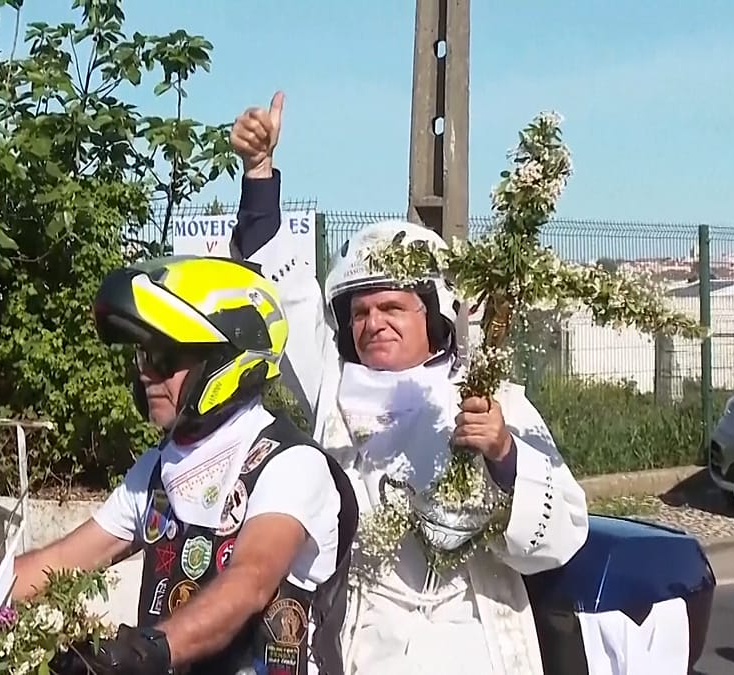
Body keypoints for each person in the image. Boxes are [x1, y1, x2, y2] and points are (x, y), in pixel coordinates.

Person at [227, 91, 590, 674]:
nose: (374, 324)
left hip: (473, 643)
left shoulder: (492, 399)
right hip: (360, 641)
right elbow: (286, 298)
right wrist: (260, 173)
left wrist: (502, 453)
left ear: (436, 314)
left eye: (393, 306)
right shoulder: (336, 395)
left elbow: (563, 535)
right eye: (360, 312)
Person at [0, 255, 358, 675]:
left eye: (163, 358)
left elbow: (249, 583)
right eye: (140, 359)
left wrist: (144, 651)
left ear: (226, 359)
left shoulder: (289, 464)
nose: (145, 376)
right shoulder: (160, 468)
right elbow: (63, 562)